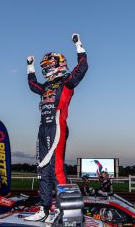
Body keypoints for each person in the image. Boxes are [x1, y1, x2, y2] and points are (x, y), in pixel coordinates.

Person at [24, 33, 88, 222]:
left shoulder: (67, 82)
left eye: (49, 66)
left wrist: (78, 45)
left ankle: (63, 210)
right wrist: (30, 66)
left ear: (58, 65)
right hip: (43, 128)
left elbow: (83, 67)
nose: (47, 70)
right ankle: (44, 209)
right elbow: (32, 85)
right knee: (43, 169)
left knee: (56, 168)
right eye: (45, 67)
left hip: (57, 127)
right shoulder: (45, 87)